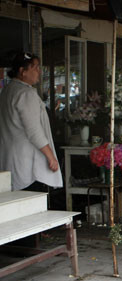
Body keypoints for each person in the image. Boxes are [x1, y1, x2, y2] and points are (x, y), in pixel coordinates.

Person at [0, 52, 62, 192]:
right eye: (35, 68)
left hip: (10, 159)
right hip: (26, 163)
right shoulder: (25, 93)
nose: (38, 71)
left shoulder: (7, 90)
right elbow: (34, 130)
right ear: (22, 71)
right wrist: (51, 157)